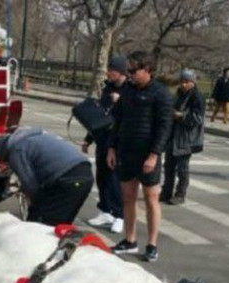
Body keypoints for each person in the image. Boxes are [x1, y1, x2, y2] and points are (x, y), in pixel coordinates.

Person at [107, 51, 173, 261]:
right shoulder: (127, 91)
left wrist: (154, 155)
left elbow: (165, 127)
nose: (131, 74)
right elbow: (116, 121)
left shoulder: (161, 93)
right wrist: (111, 147)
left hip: (148, 154)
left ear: (148, 70)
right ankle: (130, 239)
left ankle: (152, 244)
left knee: (151, 198)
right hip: (127, 152)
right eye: (129, 71)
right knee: (127, 197)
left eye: (134, 71)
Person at [0, 127, 93, 226]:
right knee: (62, 225)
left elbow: (30, 183)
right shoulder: (37, 137)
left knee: (39, 223)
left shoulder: (16, 150)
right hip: (85, 174)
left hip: (66, 179)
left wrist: (33, 202)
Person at [82, 55, 126, 233]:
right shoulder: (108, 89)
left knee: (115, 178)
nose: (108, 73)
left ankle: (119, 215)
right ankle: (105, 210)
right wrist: (88, 138)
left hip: (118, 141)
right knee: (102, 177)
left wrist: (120, 101)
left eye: (111, 70)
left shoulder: (129, 90)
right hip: (103, 138)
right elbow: (100, 116)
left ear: (120, 72)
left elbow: (133, 115)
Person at [160, 69, 204, 205]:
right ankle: (166, 191)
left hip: (186, 138)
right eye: (182, 82)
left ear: (192, 82)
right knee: (168, 166)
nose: (183, 85)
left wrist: (181, 115)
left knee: (182, 168)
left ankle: (180, 194)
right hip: (173, 134)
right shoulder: (178, 94)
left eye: (186, 82)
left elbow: (197, 119)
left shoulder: (197, 97)